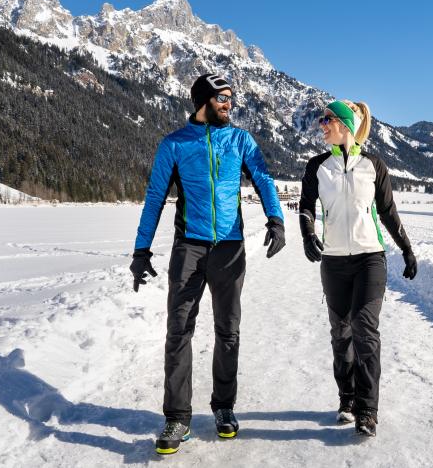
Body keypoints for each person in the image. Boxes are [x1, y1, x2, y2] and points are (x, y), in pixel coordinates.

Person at [131, 73, 286, 455]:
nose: (228, 105)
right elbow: (154, 198)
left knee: (228, 331)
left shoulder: (241, 140)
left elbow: (264, 180)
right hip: (189, 248)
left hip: (230, 249)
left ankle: (224, 407)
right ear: (203, 101)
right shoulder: (175, 144)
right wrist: (140, 251)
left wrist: (276, 219)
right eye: (221, 99)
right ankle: (177, 417)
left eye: (231, 99)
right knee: (178, 330)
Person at [298, 99, 417, 437]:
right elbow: (306, 206)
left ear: (346, 125)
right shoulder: (317, 166)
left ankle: (367, 410)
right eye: (322, 120)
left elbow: (389, 212)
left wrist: (406, 249)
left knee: (365, 329)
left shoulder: (373, 165)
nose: (322, 125)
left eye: (328, 119)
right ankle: (346, 399)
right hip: (334, 262)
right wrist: (308, 234)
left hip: (370, 258)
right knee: (342, 334)